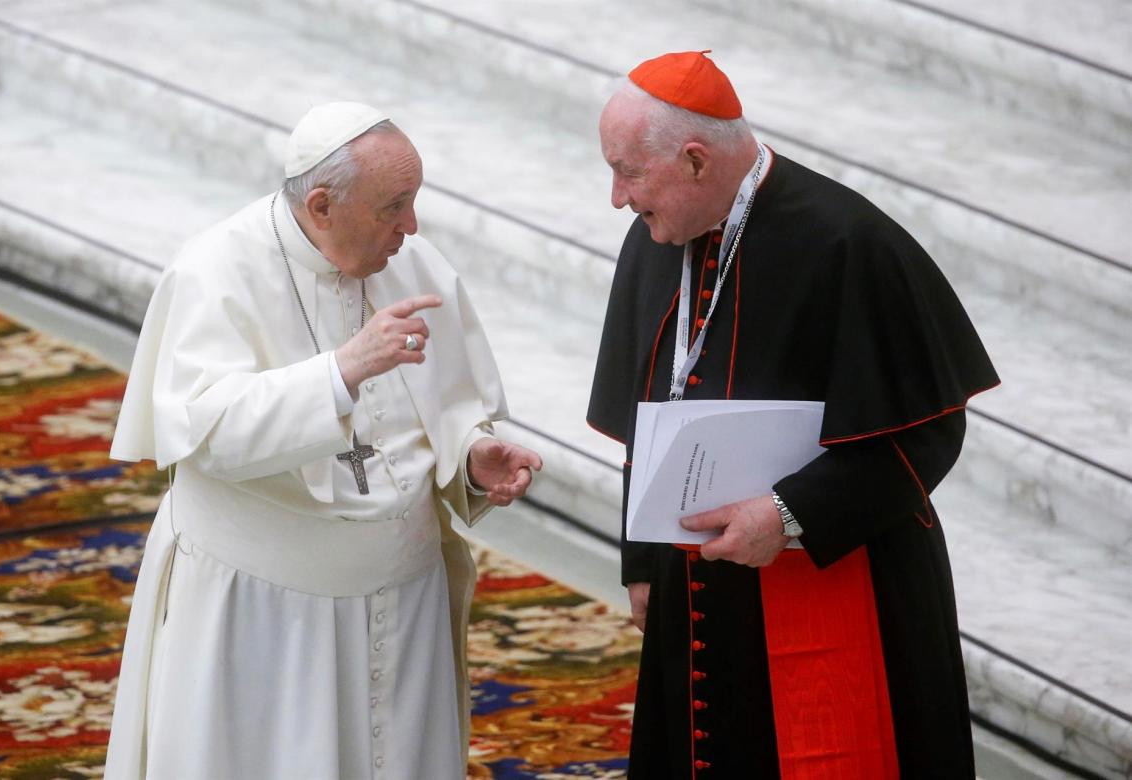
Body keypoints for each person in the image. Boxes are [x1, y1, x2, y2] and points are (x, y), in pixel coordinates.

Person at [588, 52, 999, 778]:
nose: (617, 197)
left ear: (692, 160)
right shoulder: (657, 235)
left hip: (839, 578)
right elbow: (645, 409)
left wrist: (785, 514)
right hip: (694, 586)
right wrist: (641, 559)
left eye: (628, 172)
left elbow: (930, 432)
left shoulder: (849, 243)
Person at [105, 101, 542, 779]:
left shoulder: (412, 262)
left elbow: (444, 408)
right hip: (268, 615)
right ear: (320, 205)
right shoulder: (215, 270)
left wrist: (473, 457)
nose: (413, 225)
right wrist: (340, 372)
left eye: (414, 201)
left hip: (403, 607)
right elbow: (205, 430)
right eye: (394, 206)